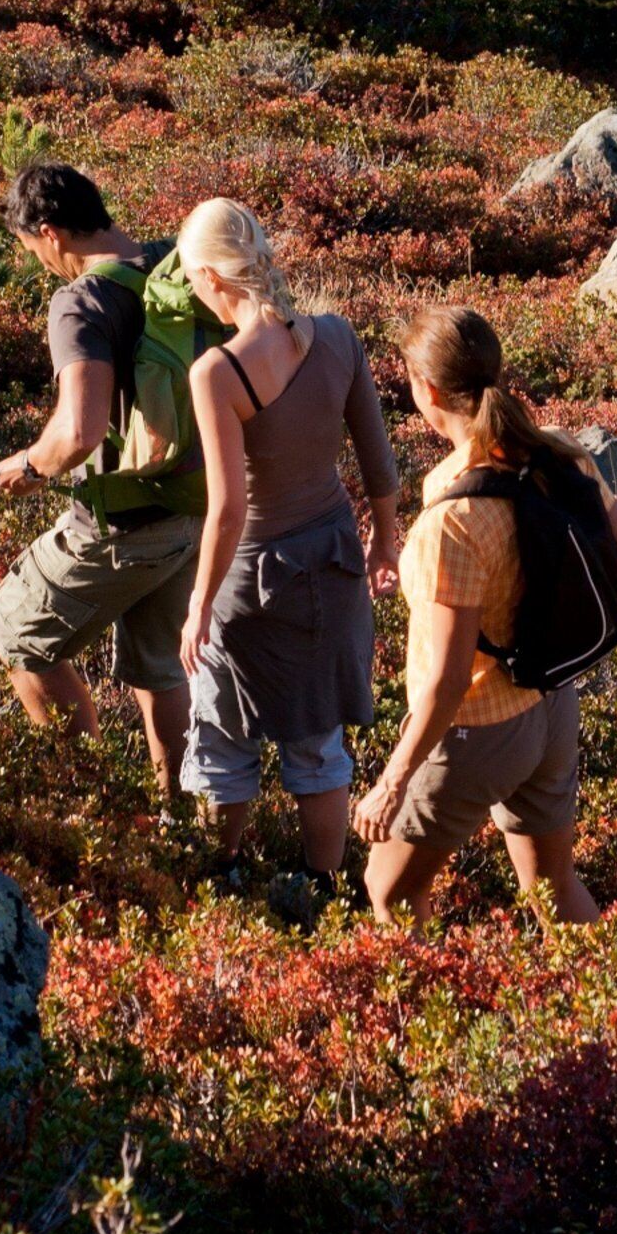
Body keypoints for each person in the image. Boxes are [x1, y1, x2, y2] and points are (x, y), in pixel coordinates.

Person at [355, 304, 617, 924]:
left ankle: (426, 1018)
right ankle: (616, 1011)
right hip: (552, 704)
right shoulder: (562, 455)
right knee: (554, 892)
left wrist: (393, 780)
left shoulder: (452, 520)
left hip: (477, 730)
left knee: (390, 893)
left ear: (426, 390)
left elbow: (450, 681)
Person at [172, 199, 401, 901]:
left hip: (252, 584)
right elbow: (377, 456)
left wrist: (198, 605)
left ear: (213, 277)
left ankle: (227, 871)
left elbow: (229, 510)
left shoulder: (218, 373)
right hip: (333, 564)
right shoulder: (337, 336)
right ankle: (321, 885)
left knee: (222, 735)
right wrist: (385, 540)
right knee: (317, 740)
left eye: (190, 280)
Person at [0, 163, 191, 816]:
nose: (41, 263)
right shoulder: (170, 264)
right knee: (161, 669)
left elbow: (80, 428)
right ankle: (175, 816)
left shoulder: (81, 302)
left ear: (49, 232)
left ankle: (90, 803)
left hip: (120, 522)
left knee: (16, 635)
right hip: (197, 508)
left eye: (34, 250)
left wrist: (30, 466)